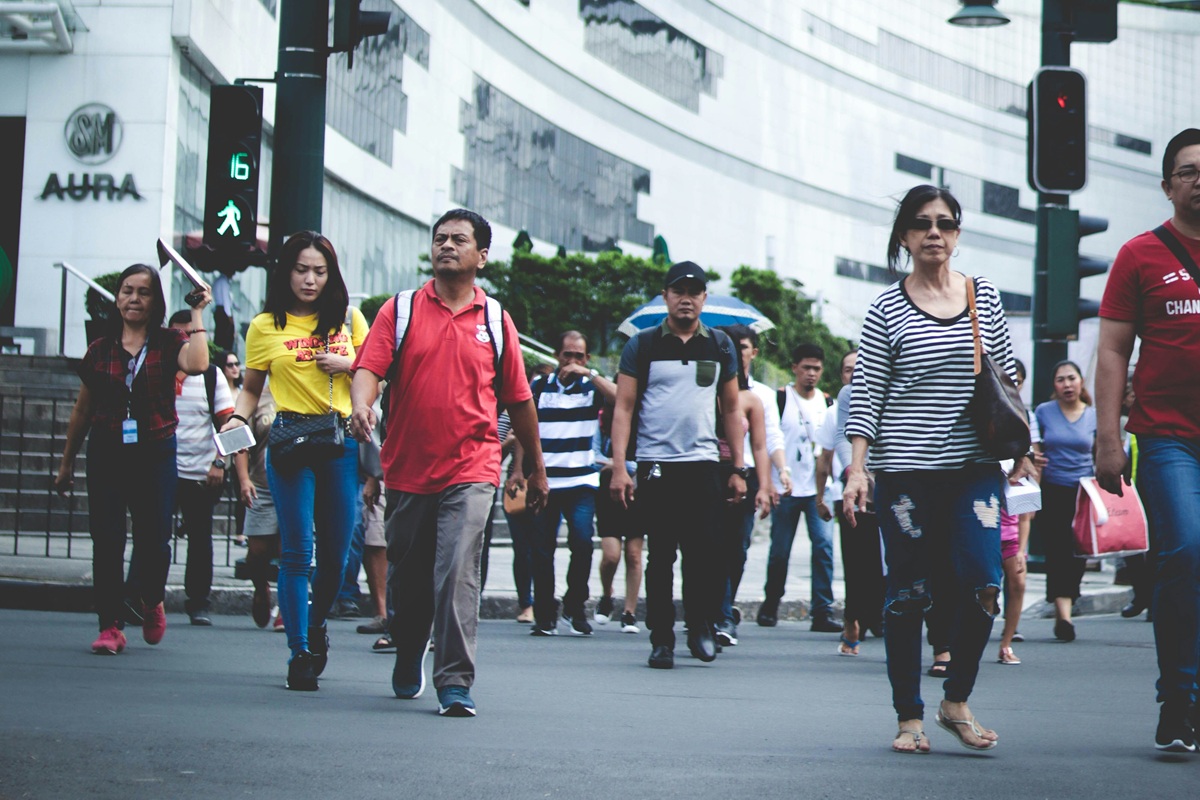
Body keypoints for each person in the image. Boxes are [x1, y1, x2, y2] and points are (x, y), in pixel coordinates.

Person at [843, 184, 1036, 753]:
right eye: (923, 223)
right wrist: (858, 469)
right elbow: (867, 394)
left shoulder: (984, 297)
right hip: (904, 472)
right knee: (910, 592)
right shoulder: (885, 308)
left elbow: (1004, 379)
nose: (935, 233)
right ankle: (909, 717)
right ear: (904, 235)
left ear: (957, 234)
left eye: (946, 224)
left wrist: (1023, 446)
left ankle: (955, 700)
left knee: (984, 584)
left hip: (974, 468)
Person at [349, 208, 548, 717]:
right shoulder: (402, 310)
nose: (447, 246)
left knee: (458, 569)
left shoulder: (495, 320)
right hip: (409, 468)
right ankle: (409, 645)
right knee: (410, 577)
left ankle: (455, 680)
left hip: (474, 467)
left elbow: (519, 401)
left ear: (481, 256)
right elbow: (368, 368)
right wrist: (361, 404)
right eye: (440, 238)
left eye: (459, 239)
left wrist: (537, 468)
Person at [221, 230, 367, 691]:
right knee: (296, 551)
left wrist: (349, 367)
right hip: (288, 442)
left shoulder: (349, 319)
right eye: (301, 270)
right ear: (285, 272)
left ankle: (316, 622)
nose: (309, 279)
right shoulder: (265, 325)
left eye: (319, 271)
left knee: (339, 555)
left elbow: (378, 374)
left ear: (332, 274)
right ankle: (299, 649)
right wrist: (235, 420)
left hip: (339, 442)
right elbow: (249, 388)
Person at [1095, 128, 1200, 753]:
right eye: (1187, 171)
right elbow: (1111, 350)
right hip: (1166, 439)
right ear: (1168, 187)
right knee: (1185, 552)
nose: (1199, 179)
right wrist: (1108, 438)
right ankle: (1179, 697)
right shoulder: (1140, 255)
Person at [54, 264, 212, 654]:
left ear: (155, 300)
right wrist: (66, 462)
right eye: (127, 291)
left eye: (143, 292)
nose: (134, 299)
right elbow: (81, 411)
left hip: (155, 451)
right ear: (117, 298)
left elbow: (199, 364)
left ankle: (151, 599)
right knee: (106, 540)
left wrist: (197, 314)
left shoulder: (168, 341)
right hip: (107, 450)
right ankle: (110, 626)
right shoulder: (100, 349)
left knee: (155, 540)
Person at [609, 261, 745, 670]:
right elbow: (624, 408)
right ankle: (661, 639)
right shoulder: (644, 344)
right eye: (678, 291)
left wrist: (737, 468)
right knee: (661, 554)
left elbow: (732, 407)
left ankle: (700, 626)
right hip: (656, 465)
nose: (686, 298)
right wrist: (621, 467)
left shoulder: (720, 345)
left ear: (705, 298)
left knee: (703, 554)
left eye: (694, 291)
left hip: (703, 463)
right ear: (666, 296)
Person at [513, 331, 615, 637]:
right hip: (546, 480)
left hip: (582, 480)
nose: (572, 361)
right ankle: (545, 614)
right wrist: (518, 469)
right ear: (557, 355)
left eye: (579, 356)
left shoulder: (590, 387)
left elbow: (621, 397)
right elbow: (524, 427)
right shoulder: (540, 386)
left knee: (582, 543)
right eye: (567, 355)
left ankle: (575, 606)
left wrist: (590, 374)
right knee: (541, 549)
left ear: (586, 359)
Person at [759, 343, 841, 633]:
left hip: (819, 491)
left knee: (824, 547)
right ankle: (771, 603)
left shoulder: (828, 404)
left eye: (816, 368)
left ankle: (822, 610)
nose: (811, 374)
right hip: (787, 489)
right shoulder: (780, 399)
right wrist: (770, 481)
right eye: (806, 367)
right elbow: (770, 441)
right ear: (794, 367)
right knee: (780, 550)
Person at [167, 310, 235, 625]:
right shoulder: (157, 370)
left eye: (191, 335)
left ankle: (198, 602)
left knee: (200, 537)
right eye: (178, 335)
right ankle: (139, 596)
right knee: (150, 535)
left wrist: (220, 462)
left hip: (201, 471)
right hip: (160, 469)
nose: (184, 341)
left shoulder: (212, 375)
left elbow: (230, 425)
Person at [816, 349, 885, 657]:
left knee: (892, 562)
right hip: (857, 487)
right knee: (859, 560)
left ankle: (884, 616)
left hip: (898, 483)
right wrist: (853, 473)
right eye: (848, 369)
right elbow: (840, 442)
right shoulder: (846, 397)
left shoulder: (897, 386)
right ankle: (852, 618)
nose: (856, 373)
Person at [714, 325, 775, 647]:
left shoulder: (753, 400)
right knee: (712, 547)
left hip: (744, 477)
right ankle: (719, 613)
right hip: (709, 475)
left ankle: (723, 608)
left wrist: (764, 487)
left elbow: (761, 447)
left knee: (737, 549)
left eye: (740, 348)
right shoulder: (705, 391)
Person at [1031, 360, 1096, 643]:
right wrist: (1033, 457)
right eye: (1060, 380)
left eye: (1072, 378)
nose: (1067, 384)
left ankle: (1066, 602)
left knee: (1079, 553)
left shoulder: (1094, 415)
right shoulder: (1044, 412)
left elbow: (1103, 450)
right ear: (1054, 386)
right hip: (1053, 490)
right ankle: (1064, 615)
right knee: (1057, 551)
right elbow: (1032, 445)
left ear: (1081, 382)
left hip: (1084, 492)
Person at [233, 381, 283, 631]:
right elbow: (238, 440)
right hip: (261, 483)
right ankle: (260, 587)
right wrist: (243, 480)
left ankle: (286, 608)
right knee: (258, 552)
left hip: (294, 483)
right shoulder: (255, 396)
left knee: (291, 550)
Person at [593, 403, 643, 633]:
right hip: (609, 491)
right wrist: (620, 466)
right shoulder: (603, 420)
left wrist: (618, 465)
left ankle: (629, 612)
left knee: (633, 555)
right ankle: (606, 595)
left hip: (638, 491)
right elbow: (594, 457)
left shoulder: (644, 419)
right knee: (611, 556)